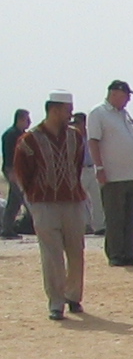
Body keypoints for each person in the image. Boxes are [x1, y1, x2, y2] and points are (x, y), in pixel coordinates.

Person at [18, 93, 91, 320]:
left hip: (72, 202)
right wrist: (34, 198)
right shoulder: (30, 140)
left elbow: (77, 166)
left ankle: (74, 296)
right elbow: (22, 173)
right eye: (67, 110)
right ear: (55, 110)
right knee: (52, 255)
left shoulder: (75, 137)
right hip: (44, 204)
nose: (70, 114)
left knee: (76, 251)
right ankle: (56, 302)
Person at [85, 80, 133, 268]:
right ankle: (115, 253)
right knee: (115, 217)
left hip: (132, 173)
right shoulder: (99, 113)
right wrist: (99, 168)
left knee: (130, 217)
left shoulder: (125, 115)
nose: (128, 100)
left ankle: (129, 253)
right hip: (113, 175)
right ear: (114, 93)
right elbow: (93, 141)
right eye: (125, 95)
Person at [1, 107, 29, 238]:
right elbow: (9, 155)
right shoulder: (11, 135)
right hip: (13, 170)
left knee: (15, 199)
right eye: (27, 119)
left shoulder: (22, 134)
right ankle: (7, 228)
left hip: (20, 170)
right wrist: (11, 171)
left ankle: (8, 228)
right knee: (16, 199)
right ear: (20, 119)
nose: (29, 122)